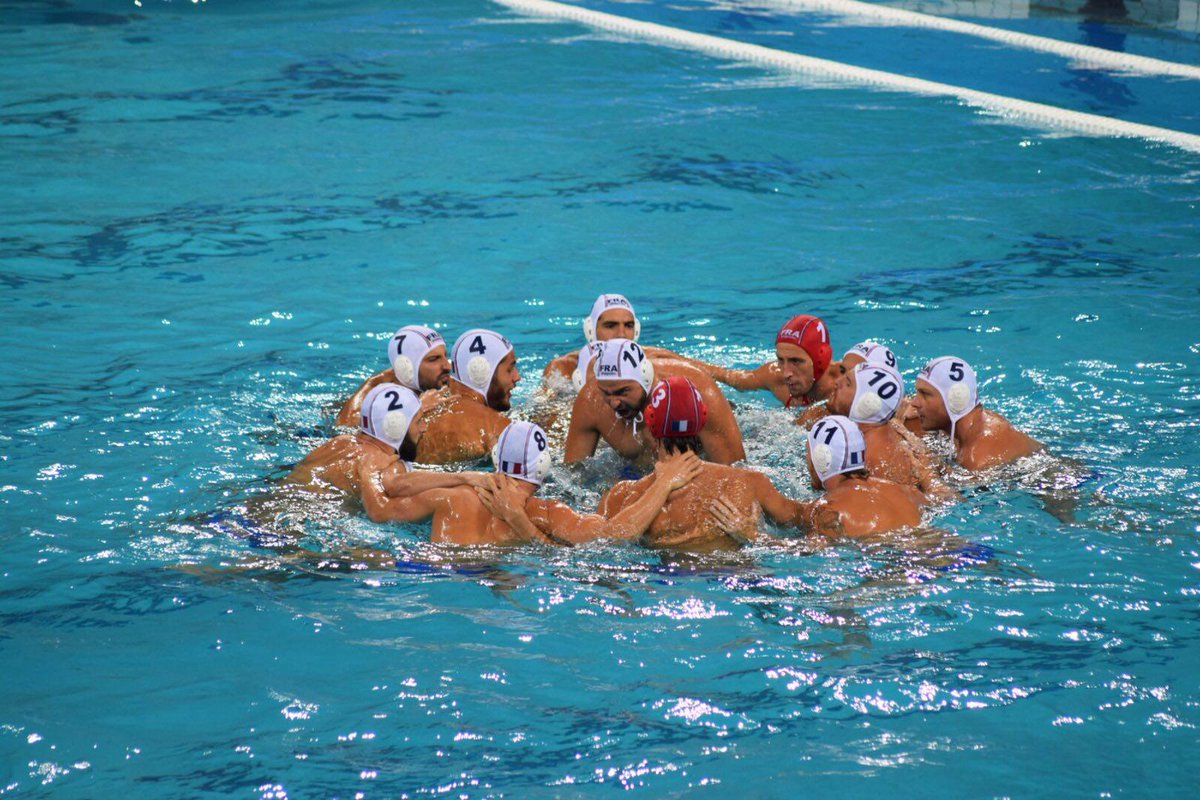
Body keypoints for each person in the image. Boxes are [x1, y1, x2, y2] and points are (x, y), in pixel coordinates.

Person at [361, 421, 704, 546]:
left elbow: (380, 509)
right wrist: (664, 484)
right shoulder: (547, 513)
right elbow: (618, 536)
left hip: (431, 576)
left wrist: (365, 468)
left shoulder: (453, 498)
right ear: (542, 466)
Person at [595, 376, 810, 551]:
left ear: (650, 424)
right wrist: (756, 537)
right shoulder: (750, 483)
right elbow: (813, 531)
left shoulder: (622, 496)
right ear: (702, 421)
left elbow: (599, 542)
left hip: (658, 585)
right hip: (732, 581)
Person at [564, 339, 746, 466]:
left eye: (623, 392)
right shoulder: (591, 401)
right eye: (606, 393)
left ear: (645, 379)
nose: (614, 403)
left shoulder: (696, 394)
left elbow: (735, 470)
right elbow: (572, 475)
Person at [826, 362, 954, 502]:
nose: (837, 382)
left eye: (848, 383)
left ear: (866, 403)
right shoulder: (894, 428)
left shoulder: (868, 457)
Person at [694, 314, 845, 418]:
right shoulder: (775, 374)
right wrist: (673, 360)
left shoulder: (847, 392)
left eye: (796, 361)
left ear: (821, 360)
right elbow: (730, 377)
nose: (786, 373)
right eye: (781, 359)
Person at [802, 415, 926, 538]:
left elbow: (810, 550)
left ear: (821, 458)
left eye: (808, 452)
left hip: (891, 551)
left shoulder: (826, 511)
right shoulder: (908, 492)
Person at [910, 356, 1043, 470]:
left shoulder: (976, 457)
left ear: (956, 400)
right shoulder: (966, 425)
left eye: (925, 394)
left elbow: (953, 498)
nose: (914, 403)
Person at [411, 328, 522, 464]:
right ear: (482, 372)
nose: (517, 377)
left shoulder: (417, 410)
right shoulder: (494, 426)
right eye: (510, 369)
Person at [542, 294, 690, 390]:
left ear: (636, 330)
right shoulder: (564, 368)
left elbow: (710, 372)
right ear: (591, 330)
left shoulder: (655, 359)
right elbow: (542, 413)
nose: (621, 335)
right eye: (610, 326)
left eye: (628, 326)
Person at [336, 325, 451, 427]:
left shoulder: (448, 382)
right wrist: (417, 409)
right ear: (407, 368)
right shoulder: (380, 397)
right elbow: (345, 428)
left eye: (446, 356)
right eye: (433, 359)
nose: (447, 366)